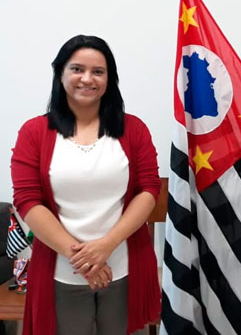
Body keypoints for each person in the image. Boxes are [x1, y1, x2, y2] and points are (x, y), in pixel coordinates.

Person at [10, 35, 161, 335]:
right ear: (60, 73)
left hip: (124, 266)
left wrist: (105, 247)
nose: (87, 79)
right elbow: (28, 200)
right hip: (62, 271)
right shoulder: (34, 132)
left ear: (110, 78)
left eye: (98, 71)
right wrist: (82, 258)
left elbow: (148, 189)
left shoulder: (134, 129)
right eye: (77, 69)